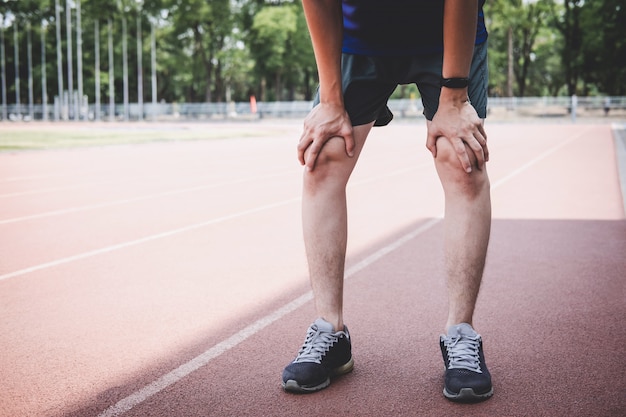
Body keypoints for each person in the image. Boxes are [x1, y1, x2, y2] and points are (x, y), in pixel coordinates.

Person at [282, 0, 493, 403]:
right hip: (358, 37)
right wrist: (330, 101)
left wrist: (453, 99)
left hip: (445, 34)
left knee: (461, 159)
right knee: (322, 156)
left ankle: (461, 333)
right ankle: (330, 330)